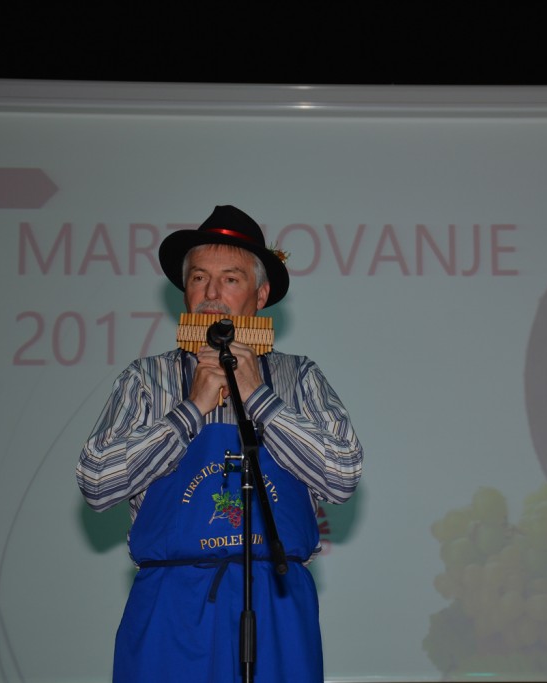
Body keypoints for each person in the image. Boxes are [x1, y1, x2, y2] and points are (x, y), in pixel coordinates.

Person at [77, 204, 363, 682]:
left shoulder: (299, 377)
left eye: (230, 279)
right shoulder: (146, 378)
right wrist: (189, 410)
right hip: (173, 605)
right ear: (184, 291)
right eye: (199, 279)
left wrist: (260, 398)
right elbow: (96, 483)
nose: (211, 294)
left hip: (275, 601)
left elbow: (342, 476)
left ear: (261, 294)